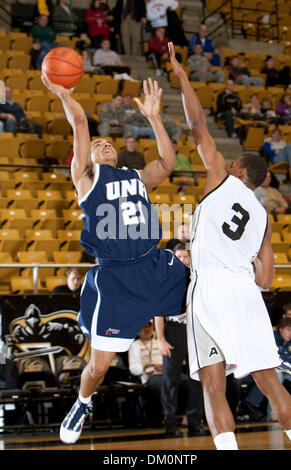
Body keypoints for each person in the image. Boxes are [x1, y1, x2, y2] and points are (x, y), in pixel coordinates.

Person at [41, 72, 189, 444]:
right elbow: (79, 122)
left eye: (109, 143)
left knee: (209, 285)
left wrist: (154, 117)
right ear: (85, 158)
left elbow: (169, 163)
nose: (104, 144)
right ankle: (82, 402)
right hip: (116, 280)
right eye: (98, 144)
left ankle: (256, 354)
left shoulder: (136, 176)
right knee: (100, 365)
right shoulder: (86, 181)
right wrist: (64, 94)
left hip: (153, 264)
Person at [168, 40, 291, 450]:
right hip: (246, 292)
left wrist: (183, 77)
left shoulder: (221, 176)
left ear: (240, 168)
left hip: (210, 289)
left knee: (213, 384)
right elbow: (267, 276)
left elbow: (197, 125)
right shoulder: (264, 218)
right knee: (269, 379)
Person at [155, 245, 204, 437]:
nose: (182, 259)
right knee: (170, 381)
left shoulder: (198, 279)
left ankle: (195, 422)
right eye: (179, 256)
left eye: (186, 256)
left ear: (191, 259)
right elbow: (158, 312)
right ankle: (170, 423)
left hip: (193, 330)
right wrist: (160, 339)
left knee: (196, 379)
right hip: (172, 330)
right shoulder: (165, 280)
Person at [128, 321, 164, 427]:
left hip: (165, 374)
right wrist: (146, 367)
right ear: (138, 331)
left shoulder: (160, 342)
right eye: (144, 327)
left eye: (149, 326)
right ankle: (161, 417)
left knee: (186, 380)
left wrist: (164, 367)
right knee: (156, 384)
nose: (147, 329)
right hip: (149, 377)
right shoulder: (134, 345)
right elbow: (133, 369)